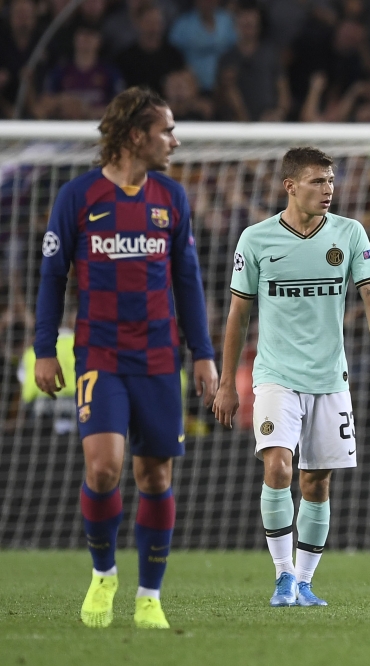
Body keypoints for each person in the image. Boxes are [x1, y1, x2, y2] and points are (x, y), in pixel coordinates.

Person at [33, 87, 219, 629]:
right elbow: (52, 277)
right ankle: (103, 575)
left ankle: (148, 596)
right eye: (167, 131)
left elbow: (188, 282)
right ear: (136, 136)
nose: (175, 141)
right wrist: (46, 349)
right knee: (104, 466)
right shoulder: (78, 196)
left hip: (161, 358)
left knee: (155, 477)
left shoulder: (171, 198)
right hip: (101, 355)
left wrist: (202, 353)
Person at [212, 147, 370, 607]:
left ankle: (306, 582)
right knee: (277, 466)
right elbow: (238, 314)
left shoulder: (349, 233)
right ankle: (282, 576)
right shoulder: (255, 240)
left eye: (331, 181)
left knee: (317, 482)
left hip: (331, 380)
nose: (328, 190)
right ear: (290, 186)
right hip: (275, 376)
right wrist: (225, 381)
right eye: (317, 181)